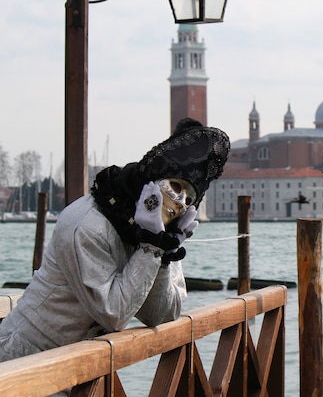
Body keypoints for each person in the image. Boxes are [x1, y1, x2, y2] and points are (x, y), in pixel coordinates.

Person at [0, 119, 229, 367]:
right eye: (175, 186)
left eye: (189, 198)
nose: (179, 203)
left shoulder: (152, 231)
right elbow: (113, 313)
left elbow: (161, 314)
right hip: (23, 361)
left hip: (79, 370)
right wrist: (151, 246)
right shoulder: (87, 224)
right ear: (154, 177)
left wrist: (162, 254)